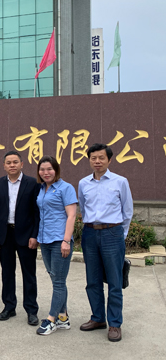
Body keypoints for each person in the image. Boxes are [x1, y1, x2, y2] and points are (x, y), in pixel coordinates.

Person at [78, 144, 133, 342]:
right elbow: (83, 208)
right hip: (90, 233)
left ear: (109, 160)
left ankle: (115, 323)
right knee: (92, 280)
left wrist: (120, 235)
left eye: (101, 158)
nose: (97, 161)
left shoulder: (120, 182)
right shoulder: (83, 183)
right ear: (89, 160)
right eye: (93, 158)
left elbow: (127, 210)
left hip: (112, 233)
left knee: (114, 281)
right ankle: (98, 318)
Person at [0, 150, 41, 325]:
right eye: (9, 163)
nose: (12, 165)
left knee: (29, 274)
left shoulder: (32, 183)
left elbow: (37, 213)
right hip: (5, 235)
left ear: (22, 164)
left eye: (15, 162)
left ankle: (31, 310)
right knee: (7, 273)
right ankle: (9, 307)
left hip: (26, 235)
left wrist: (35, 235)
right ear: (4, 165)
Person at [34, 156, 77, 336]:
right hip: (45, 240)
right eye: (42, 169)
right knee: (56, 279)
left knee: (58, 282)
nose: (46, 173)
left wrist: (66, 241)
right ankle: (63, 317)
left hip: (60, 240)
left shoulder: (66, 188)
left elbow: (71, 215)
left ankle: (51, 319)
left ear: (56, 170)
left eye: (49, 169)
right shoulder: (41, 188)